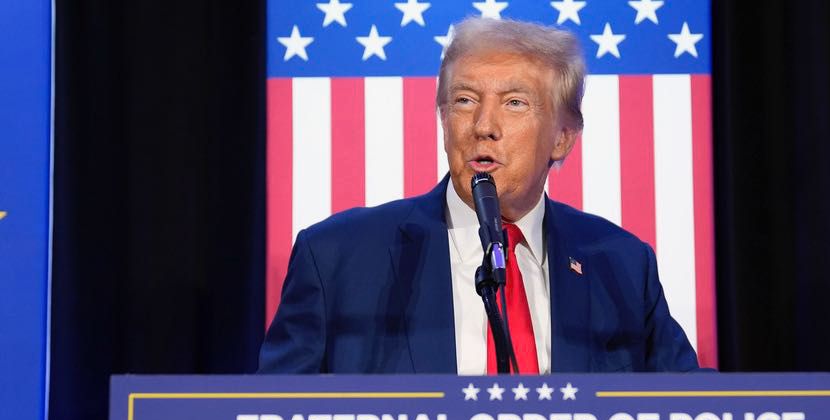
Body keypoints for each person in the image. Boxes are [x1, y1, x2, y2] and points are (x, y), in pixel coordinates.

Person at [259, 17, 700, 374]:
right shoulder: (337, 258)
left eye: (514, 103)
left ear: (563, 137)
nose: (484, 125)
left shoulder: (620, 264)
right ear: (444, 118)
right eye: (465, 100)